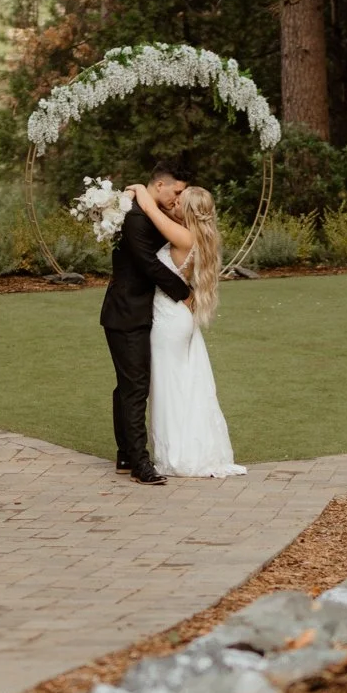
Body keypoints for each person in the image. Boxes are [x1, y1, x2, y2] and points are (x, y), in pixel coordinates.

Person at [125, 180, 245, 478]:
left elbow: (151, 211)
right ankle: (189, 448)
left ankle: (176, 454)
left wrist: (140, 188)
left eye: (180, 201)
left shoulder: (183, 236)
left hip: (169, 320)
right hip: (181, 319)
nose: (174, 202)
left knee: (169, 388)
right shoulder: (202, 237)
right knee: (186, 384)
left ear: (189, 210)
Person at [101, 168, 194, 484]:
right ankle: (141, 464)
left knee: (127, 386)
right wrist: (185, 292)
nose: (176, 199)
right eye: (176, 192)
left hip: (130, 311)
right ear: (160, 185)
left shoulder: (142, 211)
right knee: (135, 387)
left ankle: (126, 454)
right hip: (127, 312)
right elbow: (149, 264)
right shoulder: (137, 217)